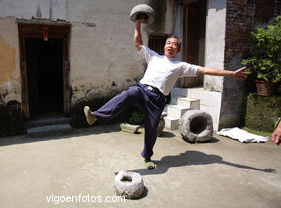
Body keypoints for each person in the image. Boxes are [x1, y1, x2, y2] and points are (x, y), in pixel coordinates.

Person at [84, 18, 248, 169]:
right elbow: (137, 42)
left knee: (152, 128)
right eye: (168, 42)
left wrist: (231, 73)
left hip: (157, 99)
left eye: (174, 44)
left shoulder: (180, 66)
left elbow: (206, 70)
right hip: (142, 89)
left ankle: (147, 157)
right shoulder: (153, 57)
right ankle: (97, 116)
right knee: (127, 93)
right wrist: (137, 23)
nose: (170, 45)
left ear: (177, 49)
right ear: (164, 46)